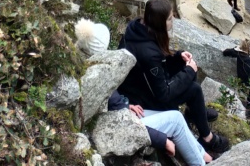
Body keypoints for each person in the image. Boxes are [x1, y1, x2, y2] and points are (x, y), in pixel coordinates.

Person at [75, 19, 212, 166]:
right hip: (118, 127)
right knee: (176, 120)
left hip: (122, 116)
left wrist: (125, 105)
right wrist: (162, 140)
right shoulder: (100, 76)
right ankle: (200, 161)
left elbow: (112, 102)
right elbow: (116, 116)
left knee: (176, 117)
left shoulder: (84, 68)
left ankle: (202, 154)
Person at [118, 0, 230, 154]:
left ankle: (194, 112)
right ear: (160, 22)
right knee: (194, 89)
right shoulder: (148, 52)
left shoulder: (138, 28)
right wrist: (189, 70)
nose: (173, 19)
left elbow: (158, 59)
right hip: (143, 101)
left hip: (142, 87)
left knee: (185, 64)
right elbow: (163, 94)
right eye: (170, 18)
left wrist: (178, 56)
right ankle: (207, 138)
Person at [222, 40, 250, 121]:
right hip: (246, 81)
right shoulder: (247, 59)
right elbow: (249, 75)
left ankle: (249, 110)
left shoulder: (238, 53)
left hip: (240, 78)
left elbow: (225, 52)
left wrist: (235, 49)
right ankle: (249, 113)